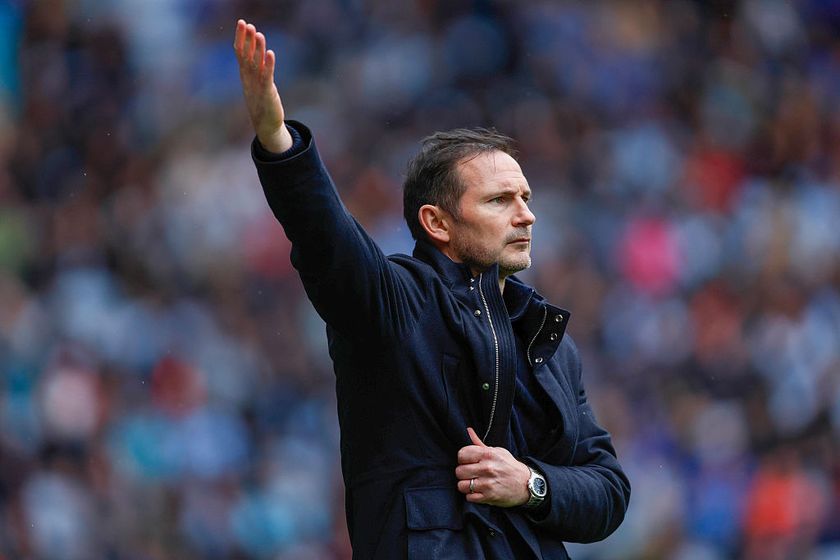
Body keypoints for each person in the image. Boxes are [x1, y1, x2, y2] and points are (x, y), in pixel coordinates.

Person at [233, 18, 630, 559]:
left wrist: (532, 484)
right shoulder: (393, 302)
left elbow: (608, 490)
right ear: (437, 222)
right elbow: (326, 239)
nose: (527, 216)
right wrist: (280, 143)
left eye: (526, 197)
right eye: (499, 201)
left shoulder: (547, 340)